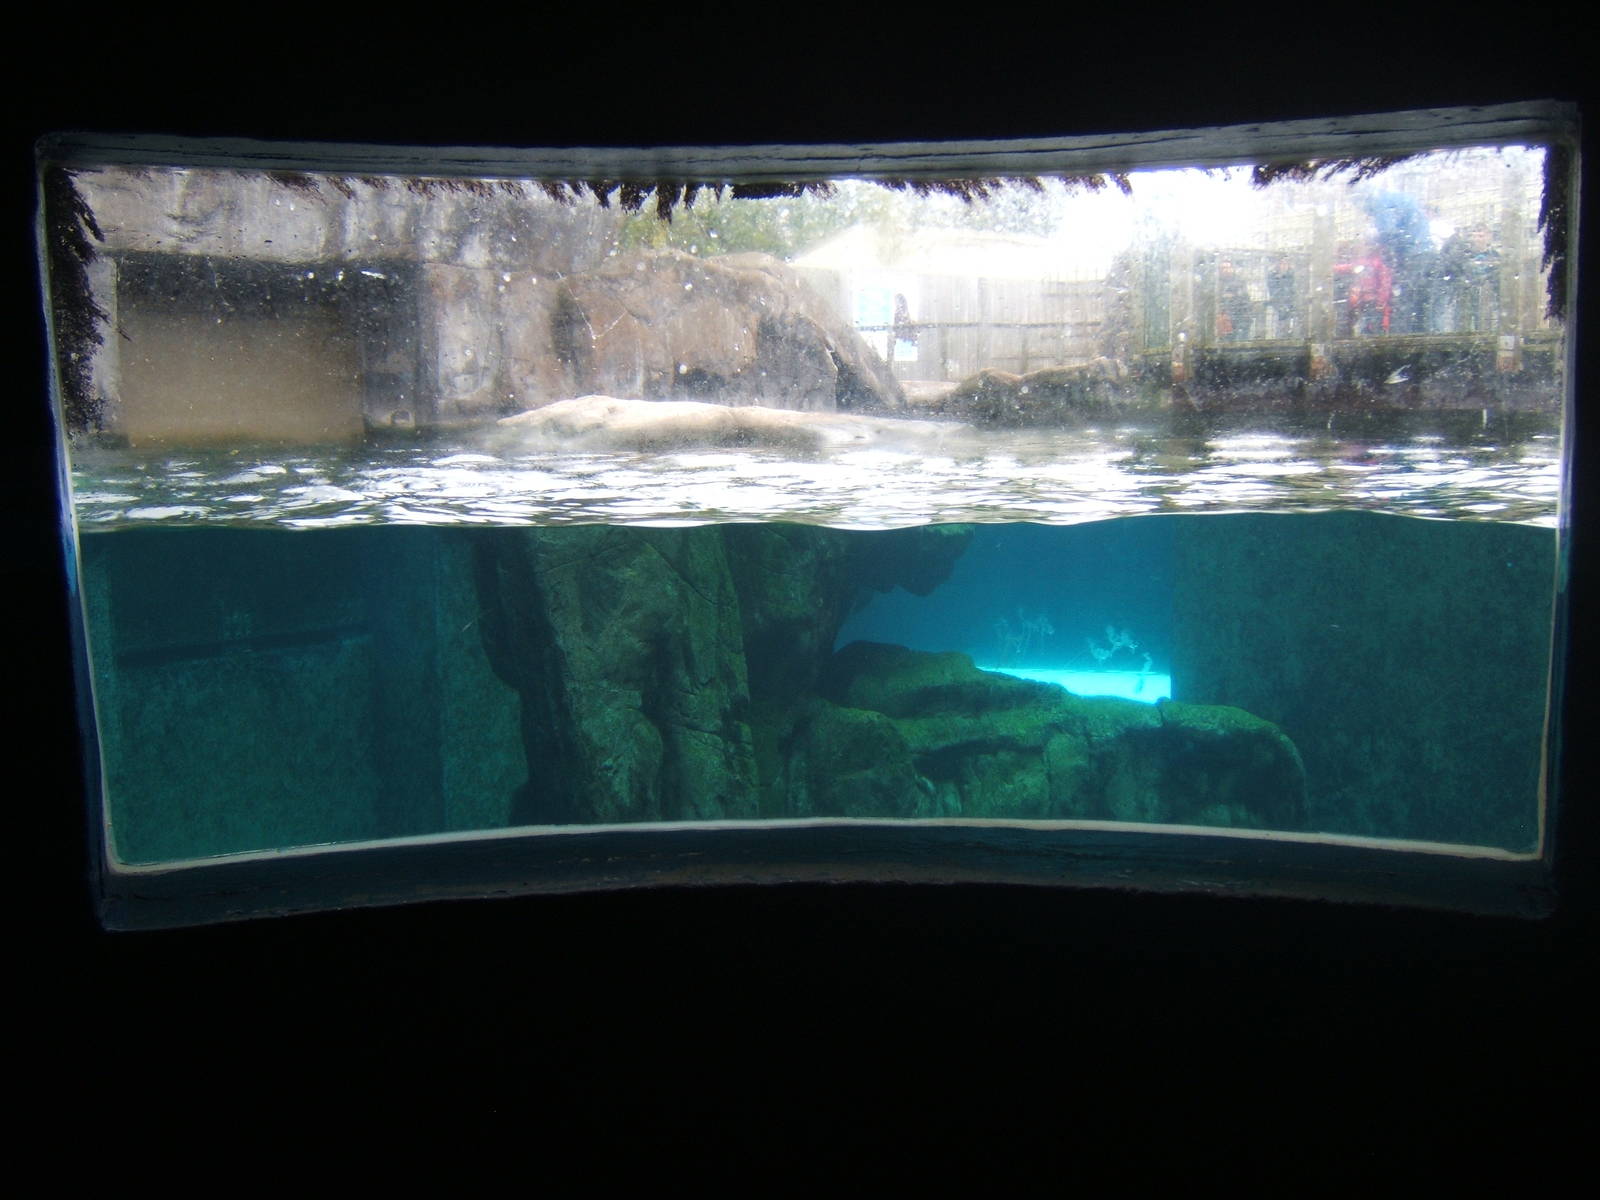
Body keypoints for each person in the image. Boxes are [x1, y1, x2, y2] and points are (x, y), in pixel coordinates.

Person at [1435, 223, 1500, 332]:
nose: (1476, 240)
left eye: (1480, 236)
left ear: (1489, 237)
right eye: (1473, 236)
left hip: (1488, 303)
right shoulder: (1462, 256)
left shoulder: (1496, 257)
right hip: (1464, 302)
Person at [1333, 239, 1392, 336]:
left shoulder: (1377, 264)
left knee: (1369, 324)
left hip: (1371, 301)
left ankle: (1373, 334)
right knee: (1361, 324)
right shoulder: (1366, 262)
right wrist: (1333, 268)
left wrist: (1380, 301)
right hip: (1362, 301)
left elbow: (1385, 284)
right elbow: (1349, 267)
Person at [1215, 259, 1252, 342]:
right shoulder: (1216, 282)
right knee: (1226, 342)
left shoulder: (1239, 281)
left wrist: (1232, 297)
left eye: (1228, 267)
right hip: (1225, 318)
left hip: (1240, 316)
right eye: (1223, 268)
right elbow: (1216, 298)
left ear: (1232, 268)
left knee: (1242, 341)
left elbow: (1244, 298)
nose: (1226, 270)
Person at [1266, 254, 1297, 337]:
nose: (1283, 266)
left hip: (1291, 304)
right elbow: (1273, 290)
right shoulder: (1272, 275)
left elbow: (1294, 290)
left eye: (1285, 263)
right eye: (1281, 263)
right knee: (1277, 326)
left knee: (1291, 326)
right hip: (1277, 304)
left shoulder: (1292, 275)